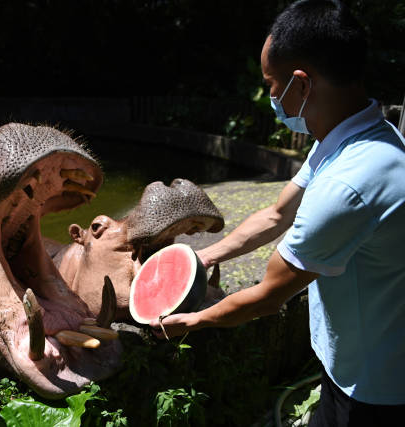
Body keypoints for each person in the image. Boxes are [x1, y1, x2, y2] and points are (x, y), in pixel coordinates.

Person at [150, 0, 405, 424]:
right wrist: (203, 258)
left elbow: (269, 296)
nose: (270, 95)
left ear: (301, 84)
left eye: (271, 83)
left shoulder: (349, 184)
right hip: (353, 359)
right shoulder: (351, 139)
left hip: (373, 387)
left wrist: (193, 321)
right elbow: (276, 214)